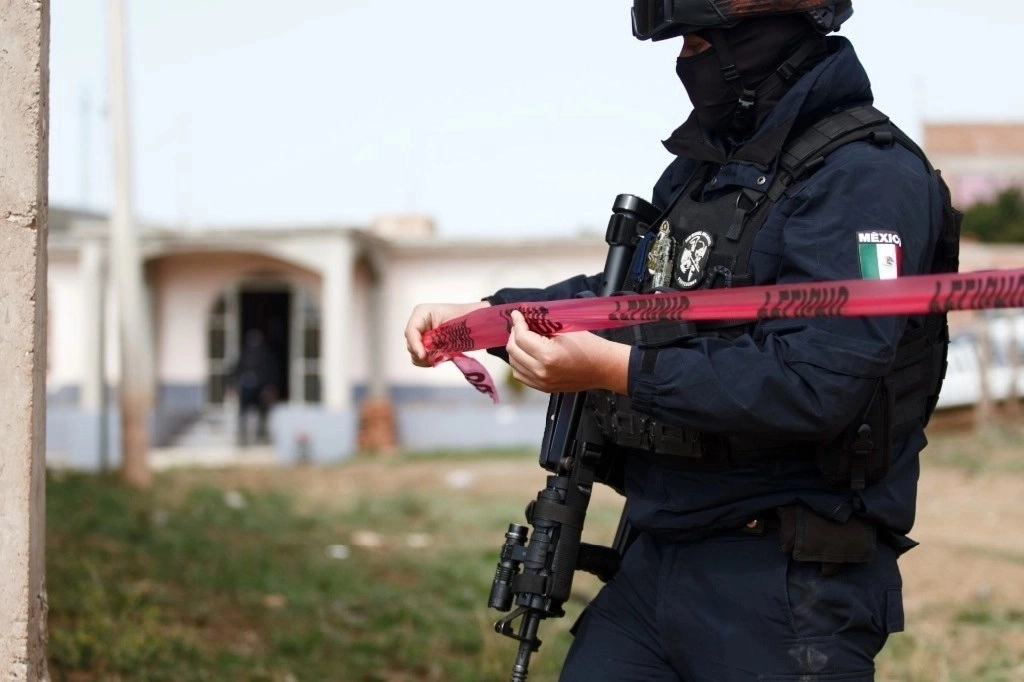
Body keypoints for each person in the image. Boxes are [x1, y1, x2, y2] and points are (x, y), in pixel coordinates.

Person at [406, 2, 958, 679]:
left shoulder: (866, 177)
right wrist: (481, 317)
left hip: (784, 582)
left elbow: (821, 382)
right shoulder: (707, 174)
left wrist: (618, 372)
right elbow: (622, 301)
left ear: (755, 43)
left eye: (698, 42)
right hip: (655, 559)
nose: (683, 62)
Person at [228, 329, 280, 445]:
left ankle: (261, 435)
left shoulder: (265, 356)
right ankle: (242, 436)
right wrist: (232, 385)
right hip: (246, 388)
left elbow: (271, 372)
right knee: (243, 412)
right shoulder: (244, 355)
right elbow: (236, 370)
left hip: (261, 388)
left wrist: (270, 387)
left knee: (262, 412)